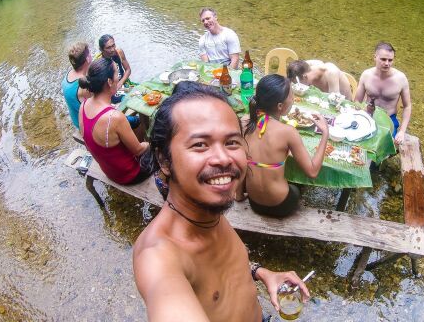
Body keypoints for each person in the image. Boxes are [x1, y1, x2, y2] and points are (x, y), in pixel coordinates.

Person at [134, 82, 310, 321]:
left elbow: (221, 267)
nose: (223, 158)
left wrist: (261, 273)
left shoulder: (208, 212)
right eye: (200, 145)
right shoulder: (158, 257)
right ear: (165, 160)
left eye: (231, 142)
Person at [243, 75, 329, 217]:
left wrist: (239, 194)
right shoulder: (288, 132)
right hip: (280, 205)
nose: (293, 98)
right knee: (297, 188)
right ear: (280, 106)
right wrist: (325, 133)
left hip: (254, 203)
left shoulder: (245, 121)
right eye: (291, 95)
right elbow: (312, 172)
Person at [78, 58, 155, 185]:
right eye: (116, 74)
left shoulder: (83, 106)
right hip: (130, 175)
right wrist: (150, 144)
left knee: (136, 128)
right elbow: (139, 151)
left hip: (109, 171)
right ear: (109, 81)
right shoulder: (114, 118)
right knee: (163, 146)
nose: (119, 77)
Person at [354, 41, 411, 145]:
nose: (387, 63)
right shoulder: (366, 75)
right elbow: (357, 101)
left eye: (390, 60)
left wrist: (402, 131)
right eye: (383, 59)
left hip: (389, 119)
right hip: (367, 115)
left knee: (381, 145)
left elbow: (407, 106)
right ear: (375, 57)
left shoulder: (400, 78)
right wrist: (359, 113)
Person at [95, 34, 140, 128]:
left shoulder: (119, 52)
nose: (112, 49)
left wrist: (120, 82)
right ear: (101, 49)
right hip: (112, 91)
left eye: (113, 45)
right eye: (108, 48)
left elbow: (128, 70)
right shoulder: (99, 63)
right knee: (126, 102)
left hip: (124, 84)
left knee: (143, 91)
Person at [61, 42, 92, 129]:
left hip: (76, 122)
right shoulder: (83, 86)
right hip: (86, 127)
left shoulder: (68, 74)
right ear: (88, 58)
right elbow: (97, 105)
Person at [287, 60, 353, 99]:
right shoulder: (306, 66)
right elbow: (297, 66)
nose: (299, 88)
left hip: (343, 105)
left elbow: (335, 100)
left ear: (305, 76)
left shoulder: (331, 72)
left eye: (298, 84)